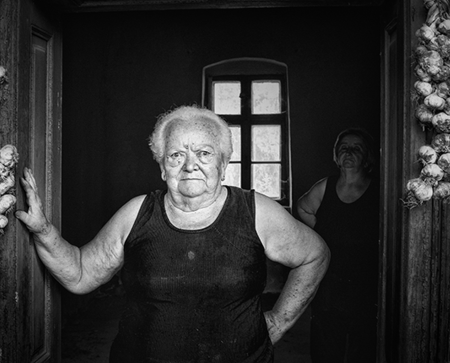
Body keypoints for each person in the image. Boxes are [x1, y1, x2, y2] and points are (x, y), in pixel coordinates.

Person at [16, 104, 330, 363]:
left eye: (204, 153)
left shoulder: (256, 212)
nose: (190, 165)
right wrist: (43, 230)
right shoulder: (137, 213)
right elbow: (81, 274)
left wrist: (279, 320)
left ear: (223, 164)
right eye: (176, 155)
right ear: (163, 168)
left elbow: (315, 256)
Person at [296, 127, 379, 363]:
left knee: (362, 343)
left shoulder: (378, 190)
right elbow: (302, 207)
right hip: (330, 278)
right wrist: (322, 233)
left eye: (356, 148)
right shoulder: (325, 187)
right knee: (326, 340)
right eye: (344, 148)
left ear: (367, 157)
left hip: (365, 280)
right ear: (336, 155)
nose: (349, 152)